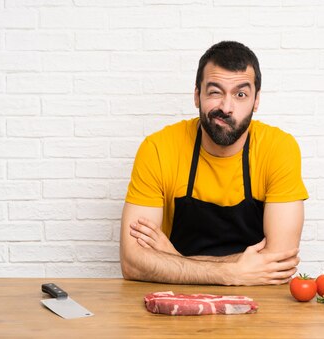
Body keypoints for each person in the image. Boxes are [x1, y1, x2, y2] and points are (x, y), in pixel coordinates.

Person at [120, 41, 309, 286]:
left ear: (256, 100)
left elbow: (278, 264)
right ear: (197, 95)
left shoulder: (278, 148)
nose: (226, 107)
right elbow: (132, 263)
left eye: (240, 94)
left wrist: (172, 259)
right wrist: (231, 273)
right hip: (177, 302)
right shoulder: (158, 148)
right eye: (215, 92)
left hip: (259, 303)